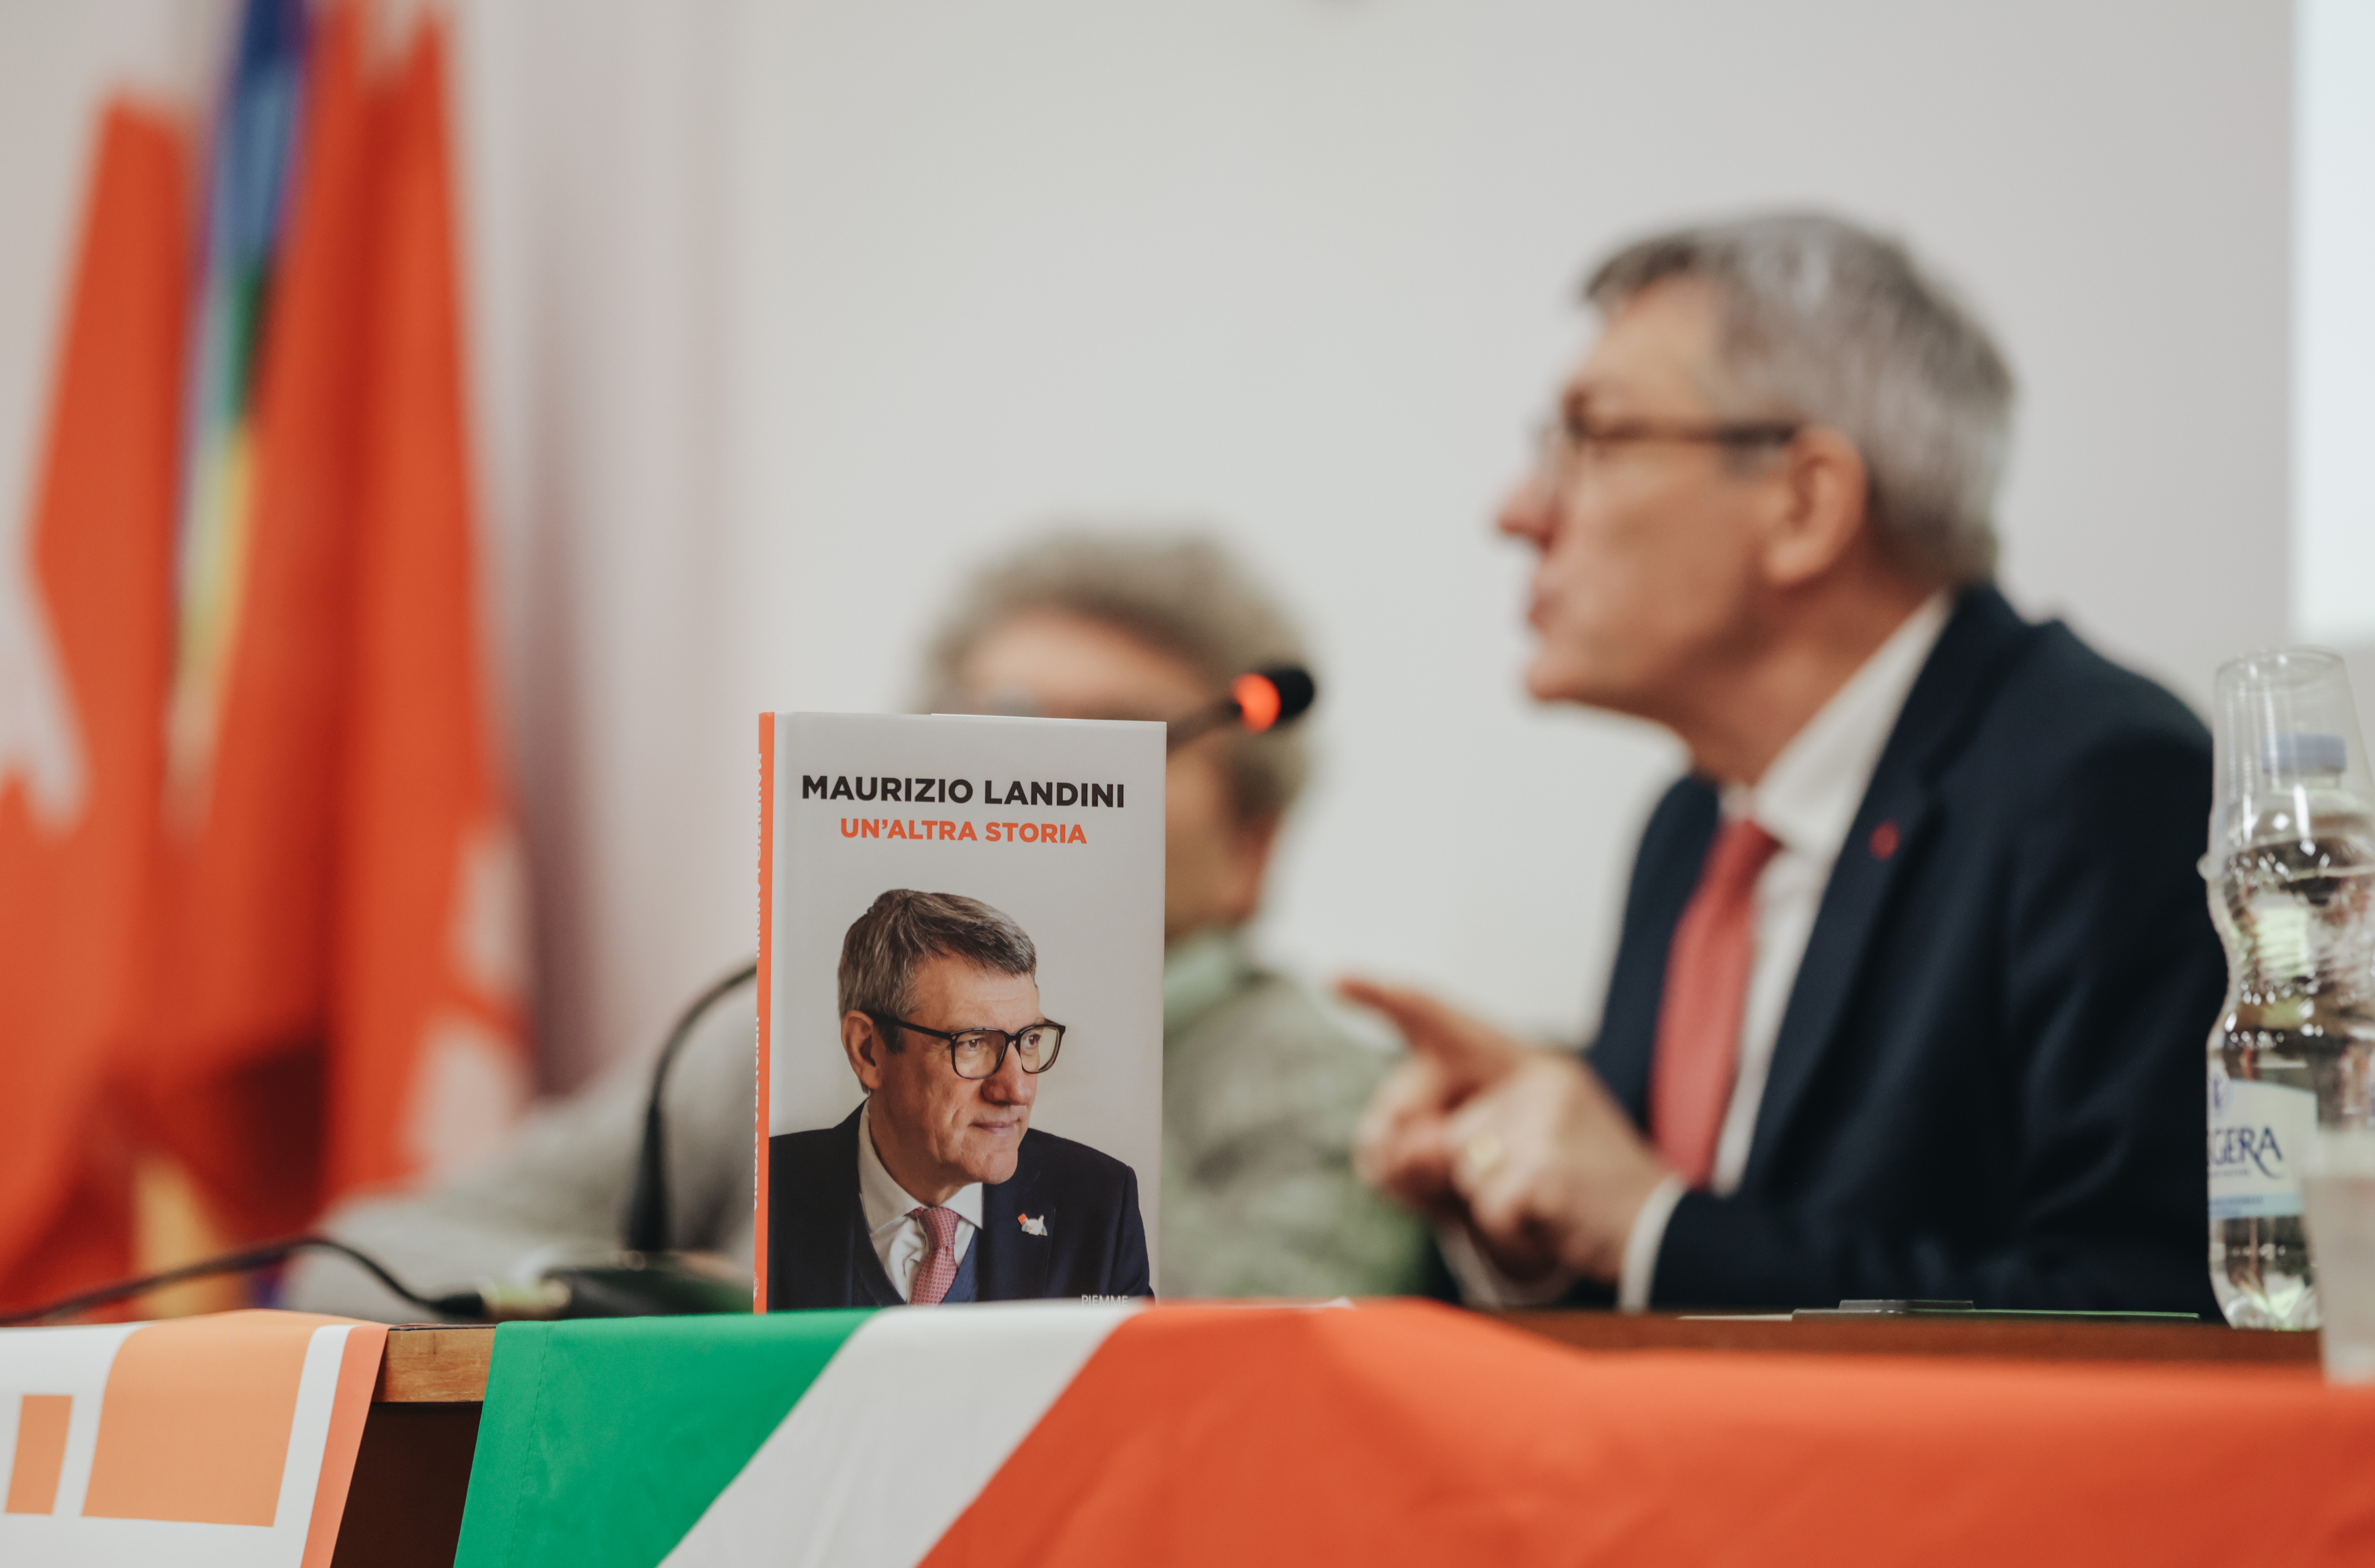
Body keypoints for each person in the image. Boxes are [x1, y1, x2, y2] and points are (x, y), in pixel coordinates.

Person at [1350, 212, 2223, 1317]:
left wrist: (1653, 1227)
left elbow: (2154, 1311)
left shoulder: (2108, 787)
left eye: (1594, 438)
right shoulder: (1692, 824)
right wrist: (1521, 1221)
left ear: (1805, 505)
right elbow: (1655, 1279)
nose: (1519, 512)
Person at [283, 532, 1426, 1319]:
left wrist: (1070, 1029)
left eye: (1122, 739)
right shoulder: (772, 1037)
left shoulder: (1333, 1090)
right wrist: (645, 1304)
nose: (1040, 766)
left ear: (1249, 850)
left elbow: (1279, 1373)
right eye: (1004, 722)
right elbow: (361, 1258)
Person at [769, 890, 1149, 1307]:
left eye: (1030, 1040)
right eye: (972, 1043)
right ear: (868, 1051)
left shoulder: (1100, 1208)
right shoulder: (765, 1197)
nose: (1017, 1090)